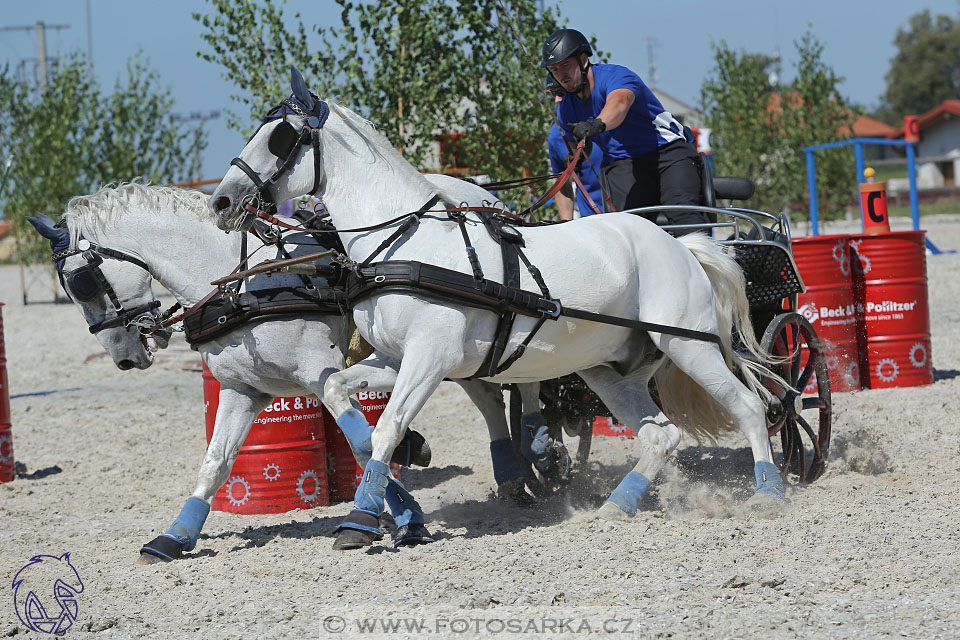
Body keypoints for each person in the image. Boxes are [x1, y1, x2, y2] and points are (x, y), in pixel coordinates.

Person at [541, 28, 709, 233]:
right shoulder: (566, 109)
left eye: (565, 65)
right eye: (555, 70)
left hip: (668, 152)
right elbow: (569, 156)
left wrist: (597, 124)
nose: (561, 75)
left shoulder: (616, 76)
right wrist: (575, 159)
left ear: (583, 60)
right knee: (627, 229)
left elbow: (619, 104)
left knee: (684, 217)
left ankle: (704, 264)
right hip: (625, 163)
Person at [545, 73, 605, 220]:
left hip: (626, 214)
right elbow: (562, 184)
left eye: (561, 92)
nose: (557, 99)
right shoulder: (555, 135)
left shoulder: (603, 120)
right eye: (554, 93)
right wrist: (567, 225)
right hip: (591, 220)